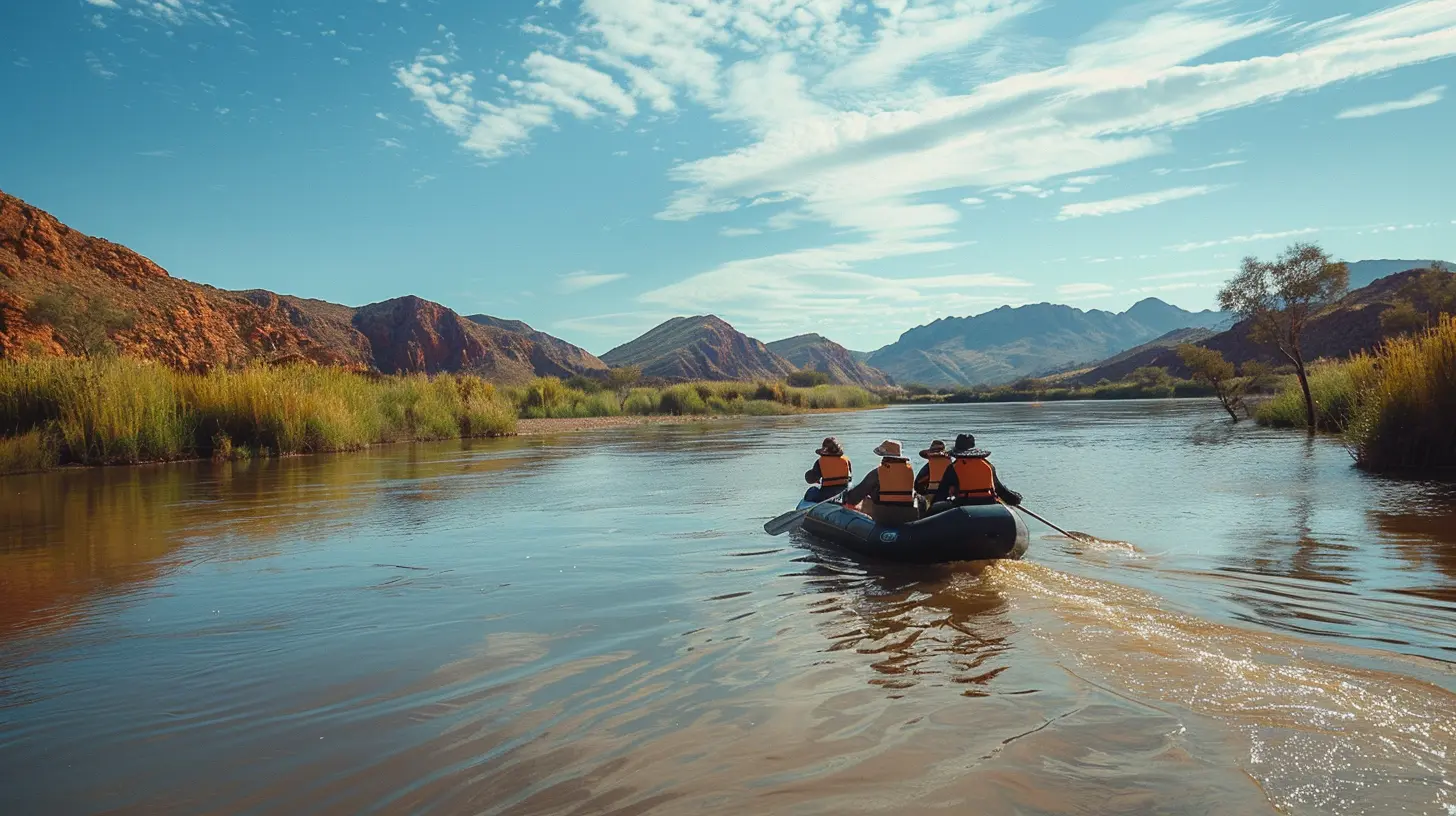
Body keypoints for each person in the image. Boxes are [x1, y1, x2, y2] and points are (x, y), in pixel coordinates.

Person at [839, 439, 920, 527]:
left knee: (865, 497)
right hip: (908, 515)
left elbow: (855, 496)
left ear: (884, 457)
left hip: (884, 515)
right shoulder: (909, 471)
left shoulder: (877, 473)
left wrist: (845, 497)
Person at [933, 434, 1021, 507]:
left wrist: (932, 508)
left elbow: (942, 494)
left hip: (964, 504)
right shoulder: (988, 466)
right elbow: (999, 489)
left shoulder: (953, 468)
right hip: (989, 502)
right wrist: (1015, 498)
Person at [803, 436, 852, 503]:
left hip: (826, 495)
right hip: (843, 493)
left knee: (812, 490)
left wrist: (814, 478)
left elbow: (811, 479)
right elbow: (849, 477)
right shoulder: (846, 460)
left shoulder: (820, 462)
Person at [915, 439, 952, 513]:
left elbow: (917, 484)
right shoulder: (951, 465)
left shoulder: (928, 467)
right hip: (948, 495)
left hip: (932, 495)